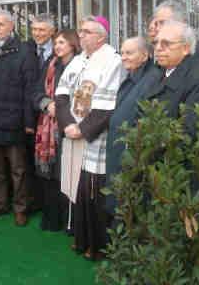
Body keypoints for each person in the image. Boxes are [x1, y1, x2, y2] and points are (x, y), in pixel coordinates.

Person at [55, 16, 122, 260]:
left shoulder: (112, 61)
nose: (80, 35)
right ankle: (81, 237)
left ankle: (98, 245)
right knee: (78, 187)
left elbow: (108, 105)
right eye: (80, 31)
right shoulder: (78, 60)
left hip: (95, 136)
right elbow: (61, 94)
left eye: (86, 32)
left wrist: (82, 129)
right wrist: (67, 124)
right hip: (74, 132)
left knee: (93, 189)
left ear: (101, 36)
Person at [0, 10, 37, 227]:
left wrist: (29, 122)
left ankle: (21, 208)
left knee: (18, 169)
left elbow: (30, 89)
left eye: (2, 24)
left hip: (15, 121)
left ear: (12, 26)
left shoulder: (24, 52)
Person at [104, 36, 161, 215]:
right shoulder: (134, 76)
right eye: (122, 53)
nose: (124, 57)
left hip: (133, 154)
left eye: (129, 53)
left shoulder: (151, 79)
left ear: (144, 56)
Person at [31, 29, 80, 232]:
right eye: (56, 43)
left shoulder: (80, 65)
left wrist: (61, 110)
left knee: (68, 174)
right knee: (50, 175)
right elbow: (35, 92)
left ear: (72, 44)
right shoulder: (50, 65)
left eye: (62, 42)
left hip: (70, 126)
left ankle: (71, 222)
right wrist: (46, 104)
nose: (58, 46)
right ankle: (52, 219)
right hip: (48, 129)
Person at [144, 20, 199, 137]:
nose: (158, 48)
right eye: (156, 43)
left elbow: (189, 132)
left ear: (185, 48)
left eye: (166, 44)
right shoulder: (160, 72)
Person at [25, 14, 57, 212]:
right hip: (31, 112)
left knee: (50, 161)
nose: (37, 33)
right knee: (32, 160)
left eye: (42, 30)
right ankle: (35, 200)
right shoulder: (26, 49)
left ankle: (50, 204)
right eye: (35, 29)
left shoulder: (59, 51)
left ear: (52, 32)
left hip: (51, 114)